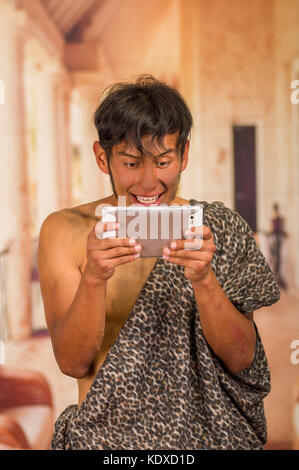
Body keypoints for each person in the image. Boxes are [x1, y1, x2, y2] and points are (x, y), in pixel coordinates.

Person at [37, 75, 280, 450]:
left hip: (208, 441)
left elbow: (241, 358)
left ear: (184, 154)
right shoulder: (64, 231)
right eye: (132, 163)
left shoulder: (220, 228)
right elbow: (72, 363)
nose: (149, 183)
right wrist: (94, 279)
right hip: (107, 443)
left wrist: (204, 279)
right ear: (103, 158)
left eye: (163, 161)